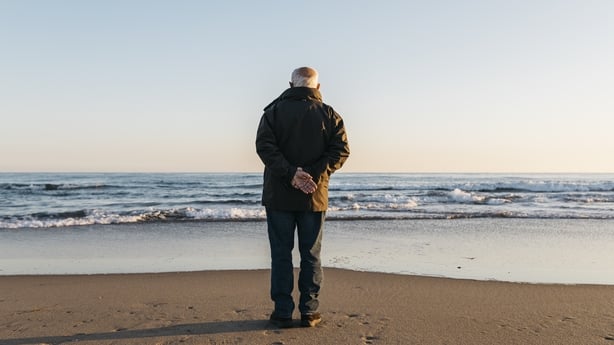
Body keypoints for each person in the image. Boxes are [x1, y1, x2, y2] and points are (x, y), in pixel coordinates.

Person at [255, 67, 350, 328]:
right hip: (314, 196)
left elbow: (264, 147)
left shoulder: (272, 112)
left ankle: (283, 312)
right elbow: (341, 151)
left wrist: (292, 174)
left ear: (290, 84)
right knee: (311, 255)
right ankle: (310, 312)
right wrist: (312, 174)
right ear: (318, 87)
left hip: (279, 196)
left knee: (281, 254)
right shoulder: (330, 114)